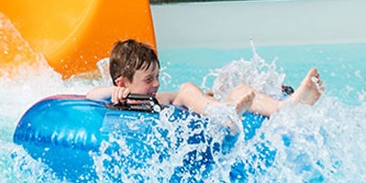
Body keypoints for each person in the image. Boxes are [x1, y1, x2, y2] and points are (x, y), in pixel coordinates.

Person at [86, 39, 323, 119]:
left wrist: (208, 95)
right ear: (122, 83)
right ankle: (226, 110)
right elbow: (90, 96)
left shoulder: (157, 98)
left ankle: (284, 106)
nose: (156, 83)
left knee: (238, 87)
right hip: (217, 112)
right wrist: (113, 93)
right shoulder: (113, 98)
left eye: (157, 76)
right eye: (149, 79)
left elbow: (179, 97)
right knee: (187, 88)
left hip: (215, 110)